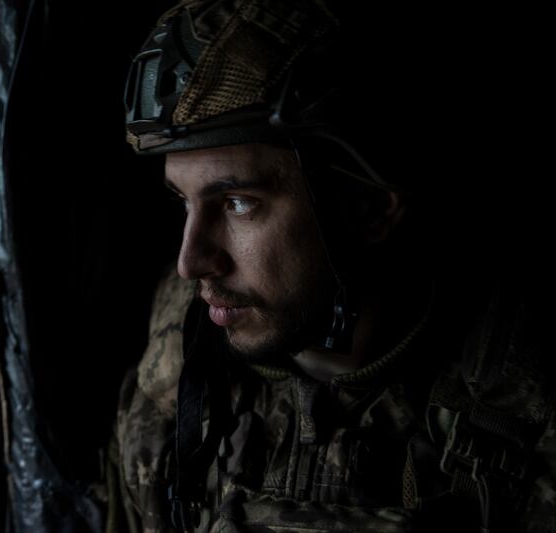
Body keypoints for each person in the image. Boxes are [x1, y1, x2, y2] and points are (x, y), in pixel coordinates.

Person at [105, 1, 556, 532]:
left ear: (371, 208)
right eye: (183, 201)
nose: (191, 262)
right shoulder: (174, 359)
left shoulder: (518, 410)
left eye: (238, 203)